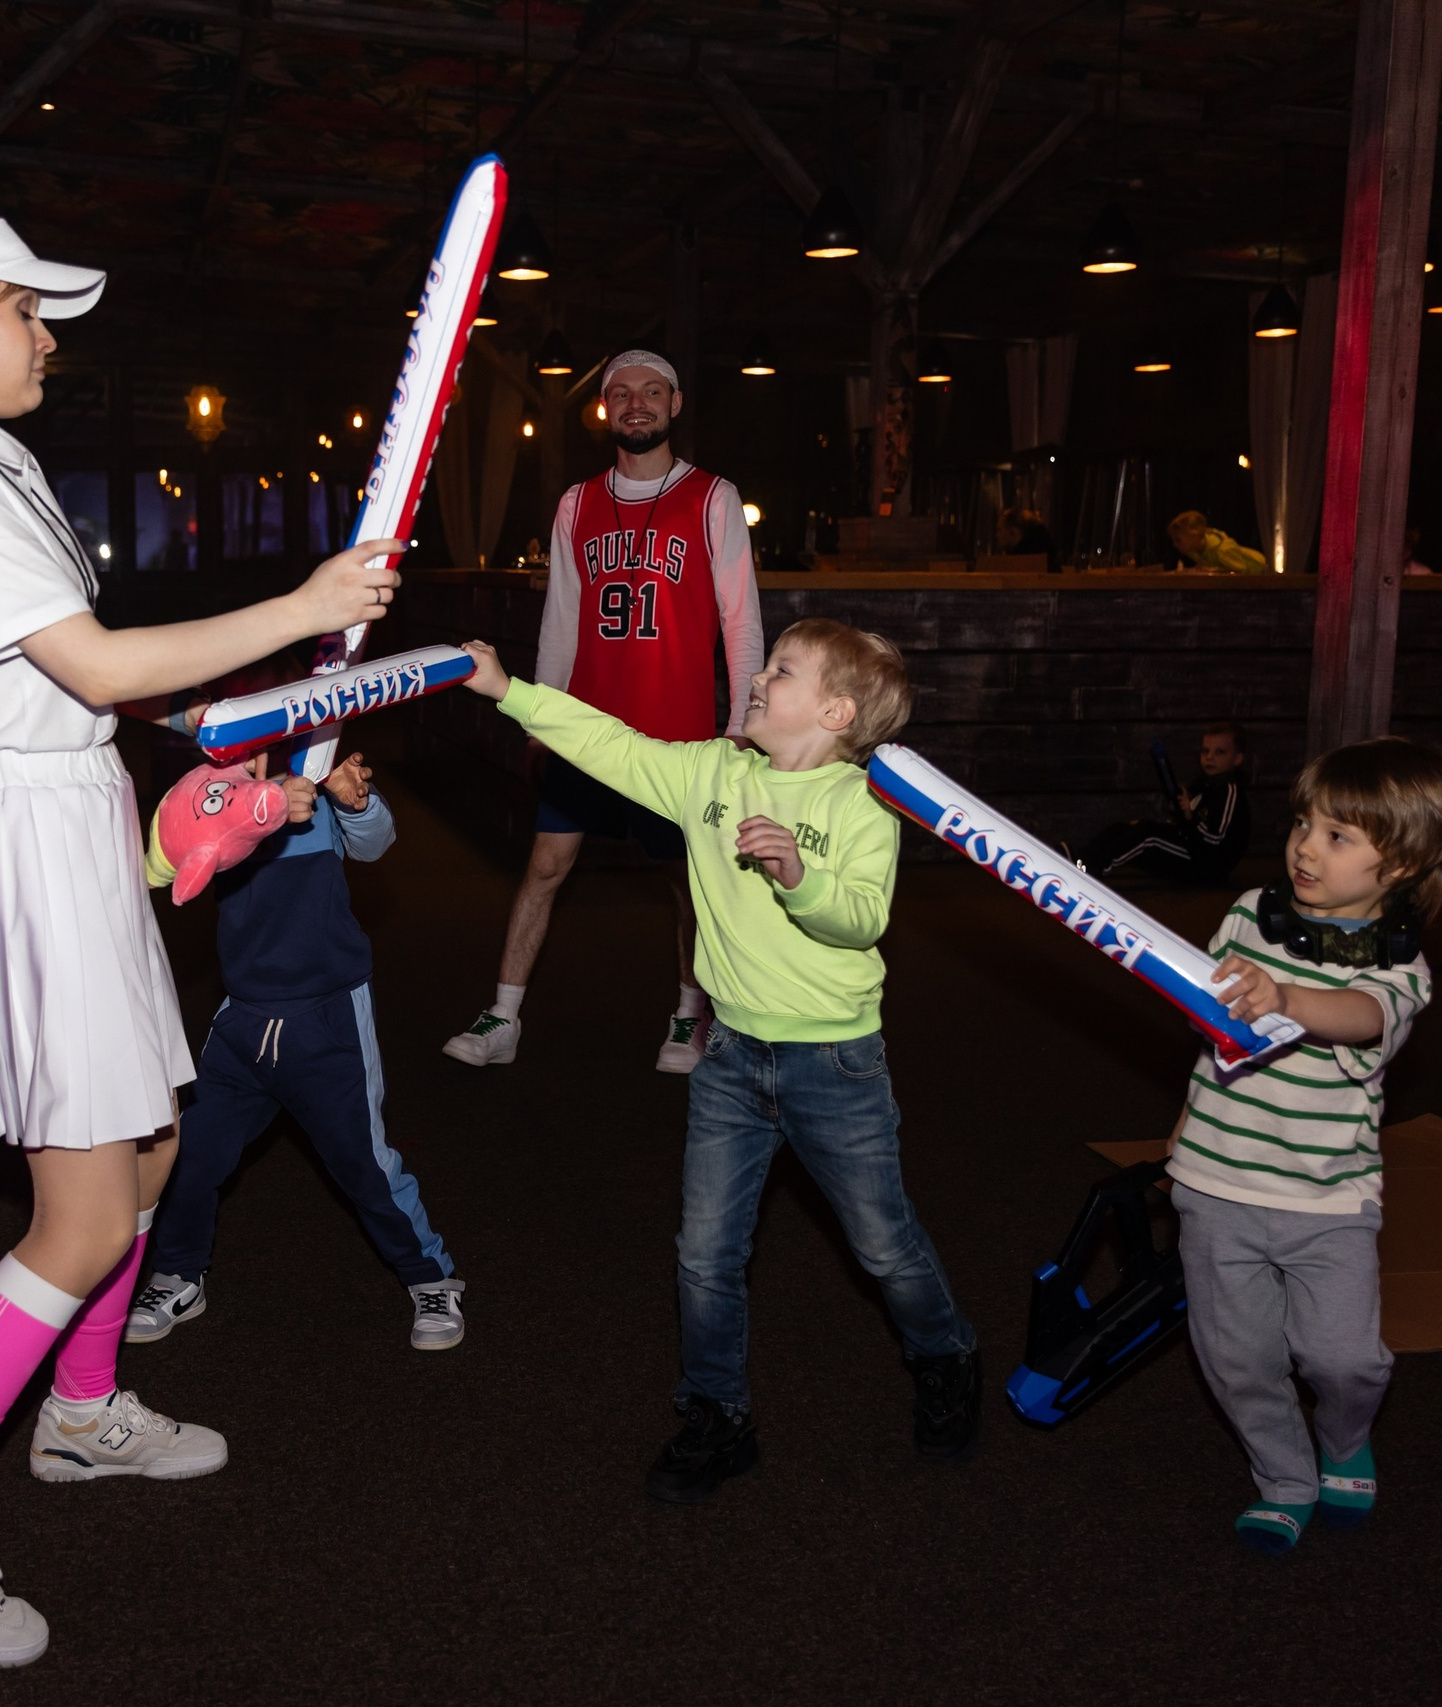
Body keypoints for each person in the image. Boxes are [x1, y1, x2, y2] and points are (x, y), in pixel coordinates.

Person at [0, 211, 399, 1670]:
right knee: (78, 1217)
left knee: (142, 1153)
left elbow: (88, 682)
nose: (49, 337)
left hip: (63, 812)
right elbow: (92, 661)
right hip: (26, 836)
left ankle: (76, 1418)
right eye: (26, 311)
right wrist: (306, 603)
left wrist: (232, 707)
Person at [457, 617, 979, 1504]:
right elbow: (612, 745)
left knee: (883, 1244)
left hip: (836, 1066)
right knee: (705, 1252)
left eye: (782, 669)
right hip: (730, 1054)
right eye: (766, 661)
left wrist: (797, 875)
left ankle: (946, 1356)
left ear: (836, 710)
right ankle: (716, 1415)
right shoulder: (711, 773)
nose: (759, 676)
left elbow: (860, 920)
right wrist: (512, 693)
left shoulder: (863, 808)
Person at [1170, 737, 1442, 1554]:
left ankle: (1344, 1437)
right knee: (1238, 1358)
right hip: (1218, 1182)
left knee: (1342, 1360)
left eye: (1340, 836)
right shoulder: (1247, 915)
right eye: (1306, 822)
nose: (1306, 844)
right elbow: (1213, 1013)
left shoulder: (1402, 969)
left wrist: (1289, 995)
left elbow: (1360, 1017)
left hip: (1328, 1200)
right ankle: (1285, 1478)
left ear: (1402, 864)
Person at [443, 350, 764, 1075]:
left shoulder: (713, 497)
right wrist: (539, 721)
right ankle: (504, 1015)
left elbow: (742, 621)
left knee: (690, 879)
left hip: (674, 734)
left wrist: (743, 726)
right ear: (605, 409)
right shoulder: (577, 503)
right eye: (621, 393)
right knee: (545, 864)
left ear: (676, 403)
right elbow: (562, 620)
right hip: (586, 726)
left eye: (653, 391)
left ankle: (690, 1016)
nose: (637, 404)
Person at [125, 732, 463, 1352]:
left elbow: (376, 842)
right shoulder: (219, 790)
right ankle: (178, 1274)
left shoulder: (321, 777)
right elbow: (164, 857)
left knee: (363, 1163)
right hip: (244, 1020)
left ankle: (430, 1277)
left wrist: (352, 801)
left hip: (328, 1017)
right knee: (190, 1154)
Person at [1077, 722, 1252, 884]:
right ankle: (1080, 857)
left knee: (1147, 836)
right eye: (1205, 751)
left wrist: (1189, 816)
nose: (1209, 757)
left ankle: (1093, 867)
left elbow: (1214, 840)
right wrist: (1179, 811)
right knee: (1124, 829)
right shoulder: (1205, 784)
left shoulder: (1229, 791)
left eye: (1219, 752)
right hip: (1194, 851)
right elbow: (1190, 824)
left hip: (1208, 866)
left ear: (1237, 759)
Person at [1168, 509, 1269, 574]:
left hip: (1261, 571)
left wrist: (1215, 571)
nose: (1175, 544)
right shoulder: (1193, 551)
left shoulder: (1222, 549)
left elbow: (1240, 572)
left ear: (1194, 534)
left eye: (1178, 539)